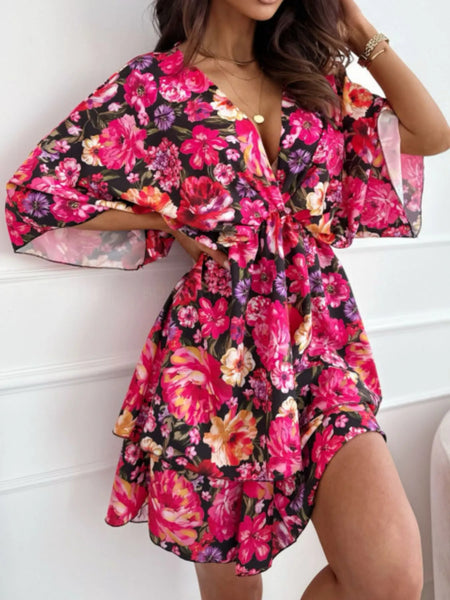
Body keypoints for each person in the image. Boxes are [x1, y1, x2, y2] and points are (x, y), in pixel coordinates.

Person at [4, 0, 449, 598]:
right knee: (235, 593)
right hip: (216, 357)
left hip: (317, 339)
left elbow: (430, 134)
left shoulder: (311, 78)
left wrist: (356, 26)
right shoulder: (152, 85)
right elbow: (36, 196)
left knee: (390, 578)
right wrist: (169, 219)